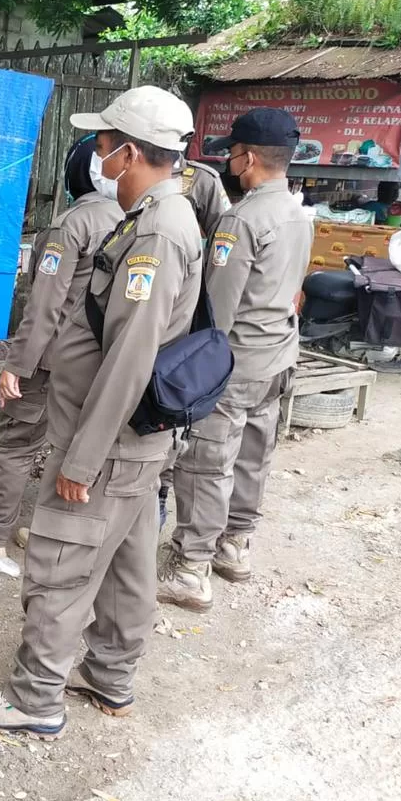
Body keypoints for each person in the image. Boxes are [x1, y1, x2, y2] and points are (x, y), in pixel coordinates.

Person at [0, 87, 202, 737]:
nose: (98, 154)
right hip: (131, 443)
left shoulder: (156, 233)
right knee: (126, 564)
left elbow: (130, 357)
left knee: (61, 566)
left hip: (108, 445)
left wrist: (82, 461)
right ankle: (110, 676)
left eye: (105, 143)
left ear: (130, 153)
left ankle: (34, 698)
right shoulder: (148, 218)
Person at [158, 108, 312, 611]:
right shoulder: (298, 213)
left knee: (206, 463)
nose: (230, 162)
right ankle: (235, 545)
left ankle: (191, 567)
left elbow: (218, 310)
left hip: (237, 362)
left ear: (248, 158)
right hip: (278, 357)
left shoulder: (241, 220)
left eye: (233, 153)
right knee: (253, 455)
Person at [0, 136, 123, 566]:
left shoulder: (71, 226)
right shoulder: (129, 221)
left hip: (51, 360)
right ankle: (53, 533)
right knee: (72, 449)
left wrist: (16, 364)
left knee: (17, 445)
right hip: (98, 362)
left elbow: (46, 305)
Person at [157, 157, 234, 525]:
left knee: (167, 402)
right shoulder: (125, 170)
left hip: (182, 311)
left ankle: (159, 492)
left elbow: (223, 238)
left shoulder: (201, 180)